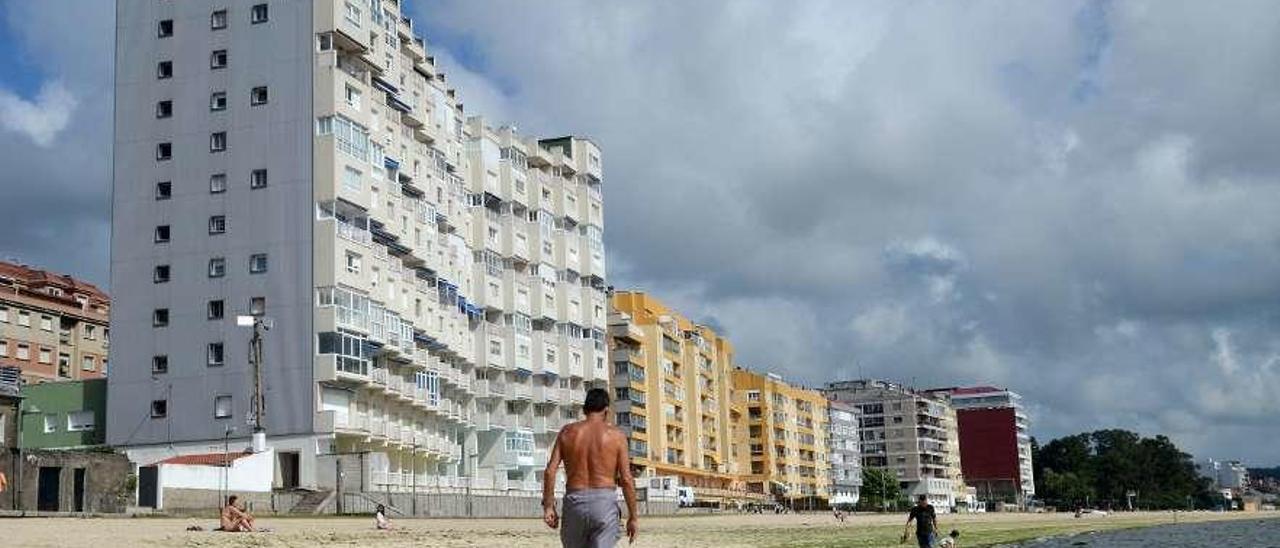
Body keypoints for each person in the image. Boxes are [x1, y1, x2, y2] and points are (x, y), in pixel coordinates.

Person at [542, 387, 638, 547]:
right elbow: (627, 479)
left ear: (585, 408)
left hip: (575, 503)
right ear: (606, 410)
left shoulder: (567, 432)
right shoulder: (617, 436)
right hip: (604, 504)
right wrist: (633, 517)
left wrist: (548, 507)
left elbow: (550, 471)